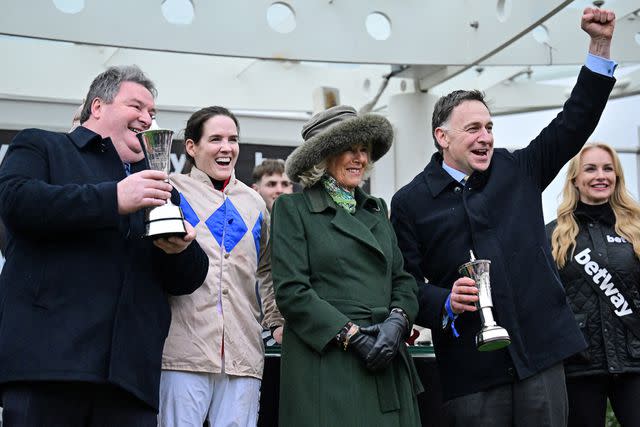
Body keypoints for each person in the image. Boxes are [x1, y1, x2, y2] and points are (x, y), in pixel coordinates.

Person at [390, 8, 616, 426]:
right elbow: (402, 285)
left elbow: (575, 120)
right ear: (443, 137)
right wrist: (444, 300)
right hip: (470, 371)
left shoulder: (519, 170)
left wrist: (599, 46)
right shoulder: (410, 202)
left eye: (489, 127)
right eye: (473, 129)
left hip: (541, 358)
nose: (486, 137)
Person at [0, 65, 208, 426]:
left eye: (153, 113)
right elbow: (16, 201)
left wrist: (180, 250)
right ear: (98, 107)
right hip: (48, 368)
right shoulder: (42, 145)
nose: (148, 118)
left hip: (129, 382)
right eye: (137, 107)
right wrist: (113, 197)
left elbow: (188, 277)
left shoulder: (158, 183)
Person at [272, 105, 423, 427]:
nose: (361, 159)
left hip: (384, 352)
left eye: (364, 150)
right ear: (322, 157)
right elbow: (291, 291)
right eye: (349, 150)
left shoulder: (376, 209)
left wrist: (397, 322)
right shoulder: (292, 208)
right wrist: (352, 336)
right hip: (327, 362)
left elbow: (404, 279)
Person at [159, 106, 284, 427]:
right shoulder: (170, 190)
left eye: (233, 139)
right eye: (215, 139)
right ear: (191, 147)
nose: (226, 147)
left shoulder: (255, 202)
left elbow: (268, 270)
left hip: (243, 356)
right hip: (182, 354)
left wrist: (276, 322)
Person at [546, 143, 640, 427]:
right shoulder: (552, 236)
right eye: (591, 168)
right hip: (580, 366)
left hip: (635, 362)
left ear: (617, 177)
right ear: (575, 179)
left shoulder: (636, 230)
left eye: (608, 169)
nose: (601, 176)